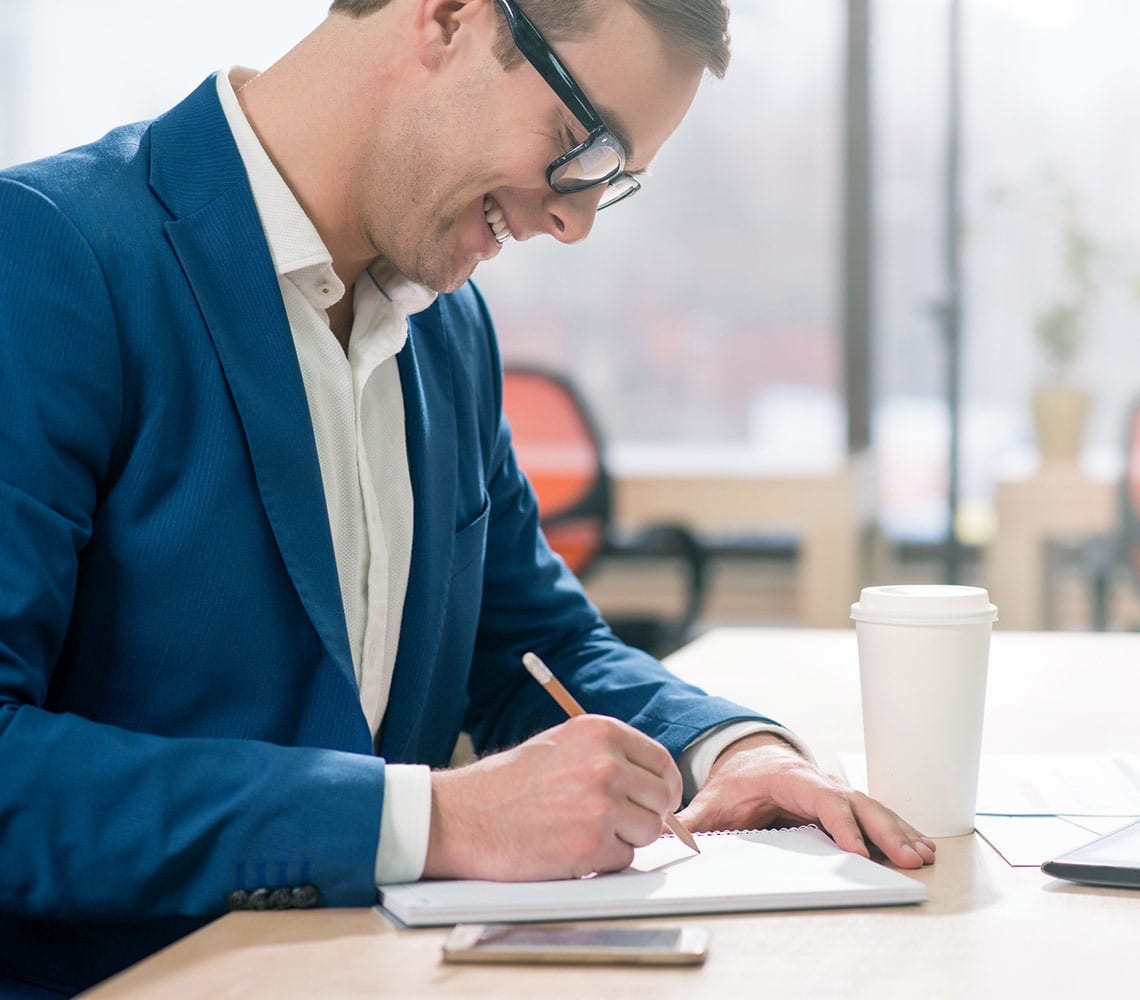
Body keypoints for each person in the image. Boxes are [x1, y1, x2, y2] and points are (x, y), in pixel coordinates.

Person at [0, 0, 935, 994]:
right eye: (581, 144)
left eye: (613, 182)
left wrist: (730, 754)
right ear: (447, 18)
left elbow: (535, 651)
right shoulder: (50, 255)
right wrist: (437, 821)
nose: (573, 220)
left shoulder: (448, 333)